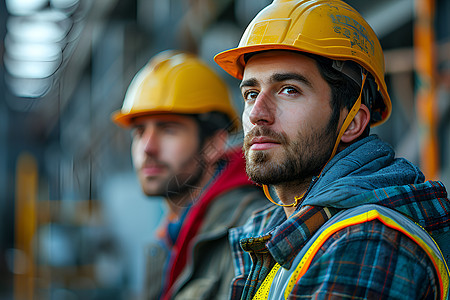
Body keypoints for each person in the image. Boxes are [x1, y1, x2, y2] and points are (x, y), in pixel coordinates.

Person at [214, 0, 450, 299]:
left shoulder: (367, 241)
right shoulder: (277, 225)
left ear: (352, 121)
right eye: (251, 93)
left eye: (289, 90)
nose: (257, 113)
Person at [112, 50, 267, 299]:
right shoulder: (170, 234)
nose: (147, 147)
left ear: (214, 145)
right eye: (139, 131)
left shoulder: (252, 230)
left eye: (168, 129)